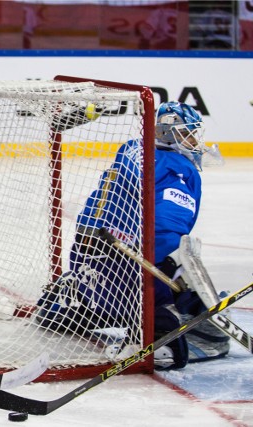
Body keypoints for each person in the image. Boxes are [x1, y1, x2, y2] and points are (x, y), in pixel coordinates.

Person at [35, 101, 228, 370]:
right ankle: (160, 335)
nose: (194, 141)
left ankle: (69, 296)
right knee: (182, 280)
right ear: (166, 134)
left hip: (87, 260)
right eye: (187, 133)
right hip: (126, 271)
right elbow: (165, 232)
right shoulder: (178, 169)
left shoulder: (132, 148)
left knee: (141, 270)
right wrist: (181, 278)